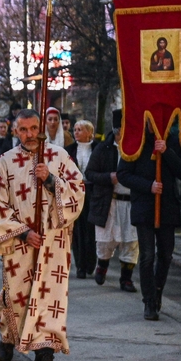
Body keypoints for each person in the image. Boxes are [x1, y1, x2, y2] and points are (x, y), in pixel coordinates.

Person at [0, 110, 85, 361]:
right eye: (23, 130)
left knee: (49, 296)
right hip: (19, 241)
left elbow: (78, 191)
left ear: (41, 128)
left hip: (53, 242)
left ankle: (45, 353)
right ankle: (9, 337)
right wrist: (22, 233)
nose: (29, 134)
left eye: (33, 128)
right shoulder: (5, 162)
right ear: (15, 131)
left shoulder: (59, 157)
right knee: (16, 294)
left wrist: (51, 180)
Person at [117, 121, 181, 319]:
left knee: (166, 254)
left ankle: (157, 290)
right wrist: (147, 185)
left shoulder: (173, 141)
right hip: (144, 206)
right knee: (148, 255)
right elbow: (123, 174)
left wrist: (167, 152)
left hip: (167, 207)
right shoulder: (136, 142)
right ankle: (149, 301)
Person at [87, 110, 138, 288]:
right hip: (108, 202)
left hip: (131, 202)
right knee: (105, 240)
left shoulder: (137, 149)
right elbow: (90, 173)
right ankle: (102, 265)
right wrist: (109, 177)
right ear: (117, 130)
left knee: (131, 241)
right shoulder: (104, 148)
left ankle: (126, 278)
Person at [66, 119, 98, 279]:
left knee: (91, 229)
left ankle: (90, 263)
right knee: (78, 229)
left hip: (93, 191)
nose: (76, 132)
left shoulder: (97, 148)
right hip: (75, 192)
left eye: (80, 129)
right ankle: (80, 265)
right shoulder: (70, 150)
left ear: (89, 132)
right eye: (75, 129)